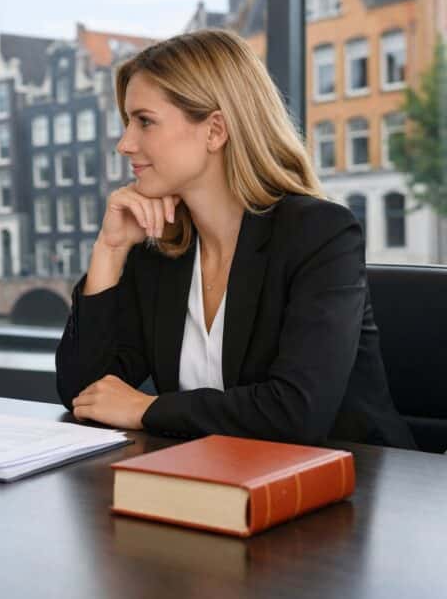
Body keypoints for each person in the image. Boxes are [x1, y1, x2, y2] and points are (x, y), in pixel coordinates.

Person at [55, 29, 415, 448]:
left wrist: (146, 409)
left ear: (215, 130)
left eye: (145, 121)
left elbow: (296, 413)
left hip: (353, 477)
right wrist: (110, 251)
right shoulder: (161, 251)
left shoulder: (319, 234)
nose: (124, 143)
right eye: (127, 122)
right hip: (218, 476)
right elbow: (85, 395)